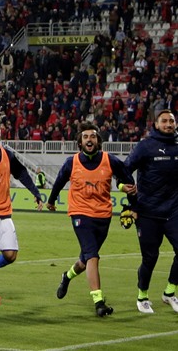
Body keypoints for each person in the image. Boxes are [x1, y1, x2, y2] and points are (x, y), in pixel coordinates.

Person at [47, 122, 136, 317]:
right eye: (86, 136)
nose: (89, 139)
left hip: (103, 216)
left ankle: (67, 276)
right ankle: (99, 302)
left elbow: (127, 179)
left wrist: (128, 199)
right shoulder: (72, 162)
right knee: (93, 256)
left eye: (93, 136)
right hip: (80, 214)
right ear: (80, 142)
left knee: (86, 259)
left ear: (98, 141)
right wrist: (51, 201)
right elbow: (59, 181)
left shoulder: (110, 160)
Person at [0, 118, 43, 305]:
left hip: (4, 211)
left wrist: (35, 192)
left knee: (11, 255)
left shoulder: (7, 155)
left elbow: (21, 173)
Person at [123, 110, 178, 314]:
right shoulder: (145, 146)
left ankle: (170, 292)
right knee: (150, 257)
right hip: (147, 212)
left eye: (172, 120)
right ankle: (142, 296)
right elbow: (125, 169)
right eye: (164, 121)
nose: (168, 124)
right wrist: (128, 194)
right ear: (156, 124)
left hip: (174, 210)